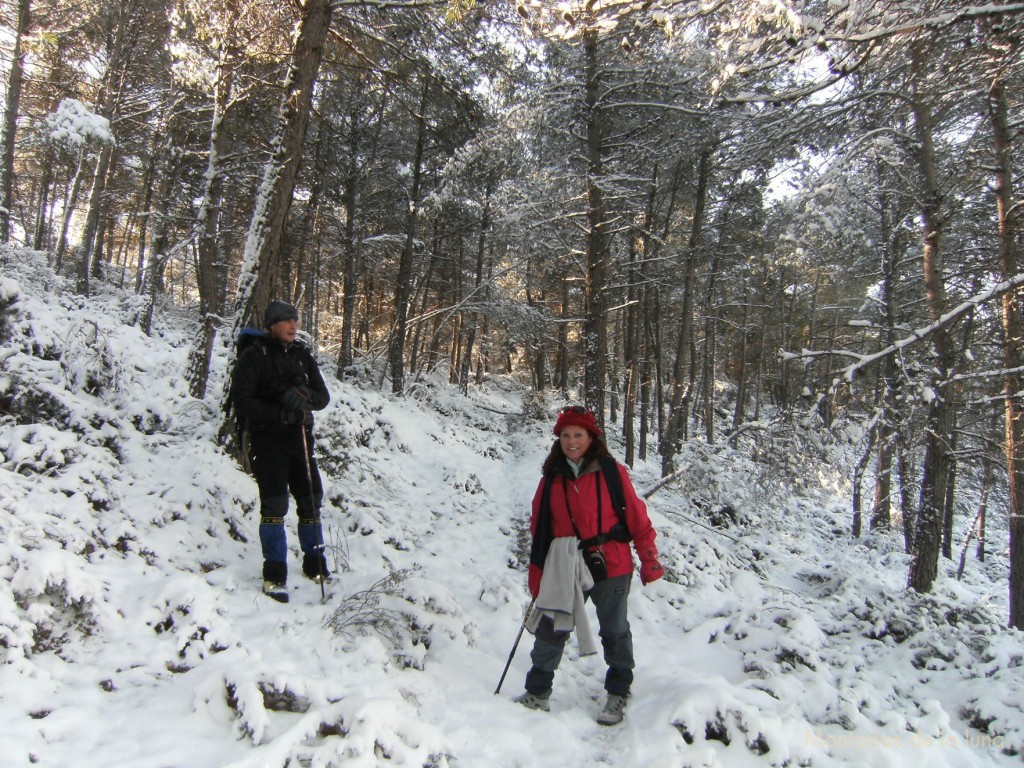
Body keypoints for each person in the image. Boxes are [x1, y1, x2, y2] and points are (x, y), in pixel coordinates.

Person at [515, 405, 664, 725]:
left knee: (614, 628)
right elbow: (539, 523)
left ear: (591, 437)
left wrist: (648, 557)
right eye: (565, 435)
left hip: (612, 562)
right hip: (567, 564)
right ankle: (537, 692)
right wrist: (540, 567)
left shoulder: (612, 472)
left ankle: (618, 692)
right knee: (552, 626)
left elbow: (636, 516)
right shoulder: (552, 477)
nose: (571, 441)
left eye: (578, 435)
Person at [230, 300, 331, 603]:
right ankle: (274, 574)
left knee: (311, 501)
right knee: (274, 506)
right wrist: (279, 412)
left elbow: (322, 397)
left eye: (295, 321)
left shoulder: (302, 355)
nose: (293, 326)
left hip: (300, 438)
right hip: (268, 440)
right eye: (286, 321)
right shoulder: (253, 356)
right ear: (272, 324)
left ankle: (315, 565)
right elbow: (243, 401)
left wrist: (303, 396)